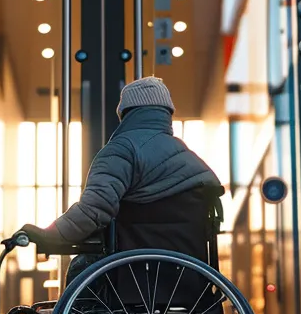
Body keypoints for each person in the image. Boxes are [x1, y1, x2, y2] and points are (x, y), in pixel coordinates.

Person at [19, 76, 222, 275]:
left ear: (125, 113)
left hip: (132, 272)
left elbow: (94, 210)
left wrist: (53, 234)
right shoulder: (191, 160)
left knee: (81, 267)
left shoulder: (121, 150)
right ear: (167, 113)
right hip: (188, 276)